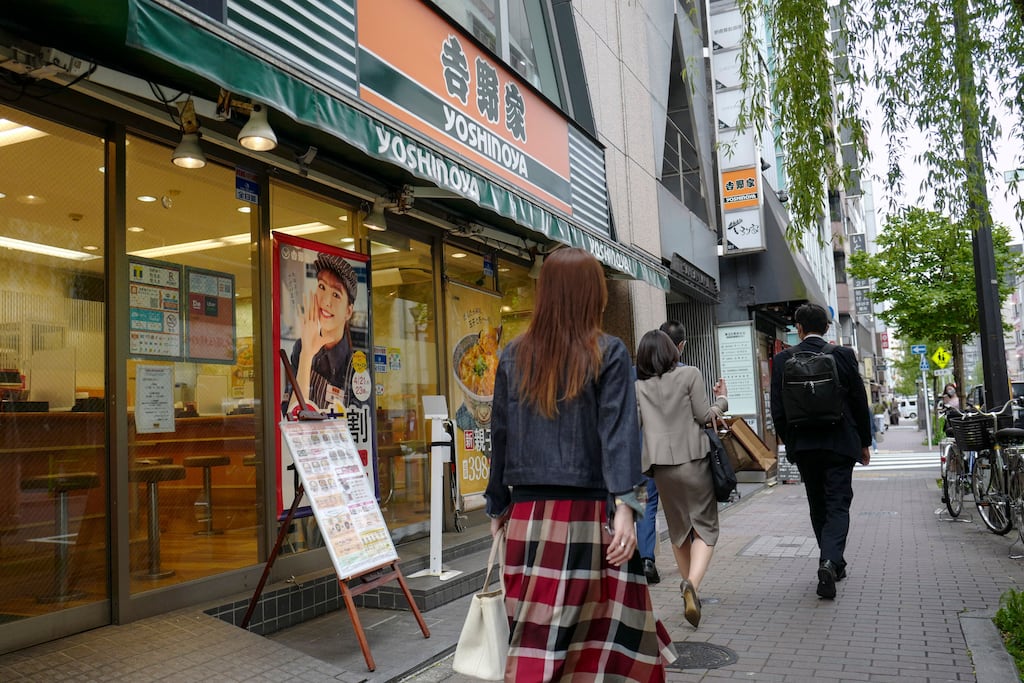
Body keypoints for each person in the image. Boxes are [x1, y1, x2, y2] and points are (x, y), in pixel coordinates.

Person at [485, 247, 676, 681]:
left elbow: (500, 434)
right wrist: (625, 508)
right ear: (593, 294)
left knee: (537, 642)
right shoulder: (608, 352)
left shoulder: (513, 355)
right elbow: (619, 434)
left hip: (529, 518)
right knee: (599, 644)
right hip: (589, 518)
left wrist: (497, 505)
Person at [769, 303, 872, 600]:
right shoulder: (843, 355)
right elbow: (859, 402)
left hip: (805, 446)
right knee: (838, 504)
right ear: (827, 328)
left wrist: (791, 443)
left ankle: (832, 562)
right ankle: (829, 561)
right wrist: (864, 442)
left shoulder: (783, 359)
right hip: (840, 442)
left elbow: (778, 410)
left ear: (798, 329)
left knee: (817, 505)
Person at [635, 329, 728, 629]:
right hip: (694, 461)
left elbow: (635, 425)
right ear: (672, 350)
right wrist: (722, 400)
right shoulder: (690, 374)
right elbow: (704, 416)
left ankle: (691, 594)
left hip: (661, 468)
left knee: (678, 530)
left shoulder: (639, 387)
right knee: (705, 527)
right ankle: (692, 585)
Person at [637, 319, 688, 585]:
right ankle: (690, 566)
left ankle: (646, 559)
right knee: (680, 507)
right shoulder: (686, 373)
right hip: (676, 455)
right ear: (680, 346)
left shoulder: (635, 374)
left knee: (645, 506)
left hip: (643, 454)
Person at [285, 252, 357, 415]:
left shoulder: (354, 363)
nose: (325, 301)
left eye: (336, 294)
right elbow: (291, 415)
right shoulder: (301, 347)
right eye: (322, 287)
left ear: (348, 311)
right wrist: (306, 355)